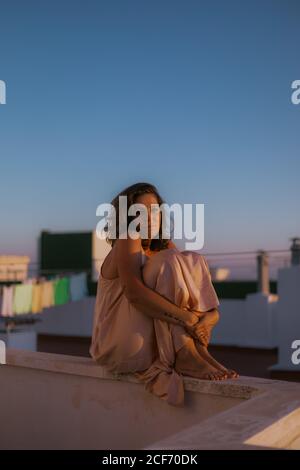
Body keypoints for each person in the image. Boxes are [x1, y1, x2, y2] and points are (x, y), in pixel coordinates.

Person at [90, 182, 238, 406]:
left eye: (155, 210)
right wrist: (188, 319)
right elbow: (134, 294)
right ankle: (185, 353)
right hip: (121, 343)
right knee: (171, 261)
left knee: (192, 259)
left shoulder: (165, 248)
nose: (150, 217)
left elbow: (193, 292)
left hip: (151, 345)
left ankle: (192, 352)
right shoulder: (127, 240)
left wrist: (207, 319)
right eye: (141, 211)